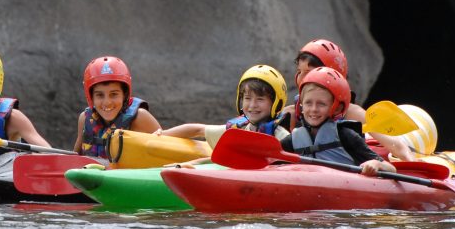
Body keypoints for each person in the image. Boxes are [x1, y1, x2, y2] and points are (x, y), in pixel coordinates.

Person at [283, 38, 415, 161]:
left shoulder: (351, 112)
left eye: (308, 72)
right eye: (299, 71)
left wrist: (411, 160)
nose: (301, 78)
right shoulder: (291, 112)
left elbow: (395, 144)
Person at [157, 65, 290, 167]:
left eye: (260, 99)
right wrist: (162, 134)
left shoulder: (282, 137)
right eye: (247, 98)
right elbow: (197, 130)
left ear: (276, 103)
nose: (252, 105)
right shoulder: (237, 130)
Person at [281, 66, 396, 176]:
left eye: (321, 104)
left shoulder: (346, 135)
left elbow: (391, 169)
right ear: (301, 105)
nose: (314, 109)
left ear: (337, 108)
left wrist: (376, 164)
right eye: (308, 103)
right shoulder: (292, 141)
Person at [73, 56, 161, 159]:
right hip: (92, 173)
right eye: (100, 95)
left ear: (125, 94)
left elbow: (170, 149)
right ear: (90, 97)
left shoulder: (140, 118)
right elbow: (74, 159)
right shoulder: (84, 119)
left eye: (114, 94)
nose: (107, 102)